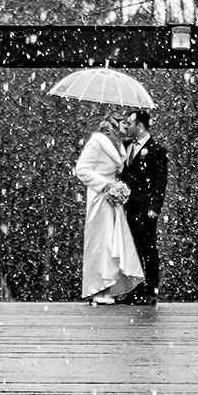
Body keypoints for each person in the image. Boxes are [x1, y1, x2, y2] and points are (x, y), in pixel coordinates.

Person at [72, 115, 146, 304]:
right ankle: (97, 288)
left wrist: (117, 188)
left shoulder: (118, 145)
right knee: (100, 243)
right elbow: (82, 170)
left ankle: (107, 288)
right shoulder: (96, 143)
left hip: (112, 199)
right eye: (124, 123)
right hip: (100, 197)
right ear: (115, 124)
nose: (127, 127)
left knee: (113, 242)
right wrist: (105, 185)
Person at [117, 108, 168, 304]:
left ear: (140, 126)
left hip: (145, 208)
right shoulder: (127, 145)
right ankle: (133, 291)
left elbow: (160, 181)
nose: (127, 127)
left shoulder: (156, 150)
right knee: (131, 249)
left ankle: (150, 291)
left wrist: (154, 207)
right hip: (127, 206)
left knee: (148, 249)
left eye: (129, 124)